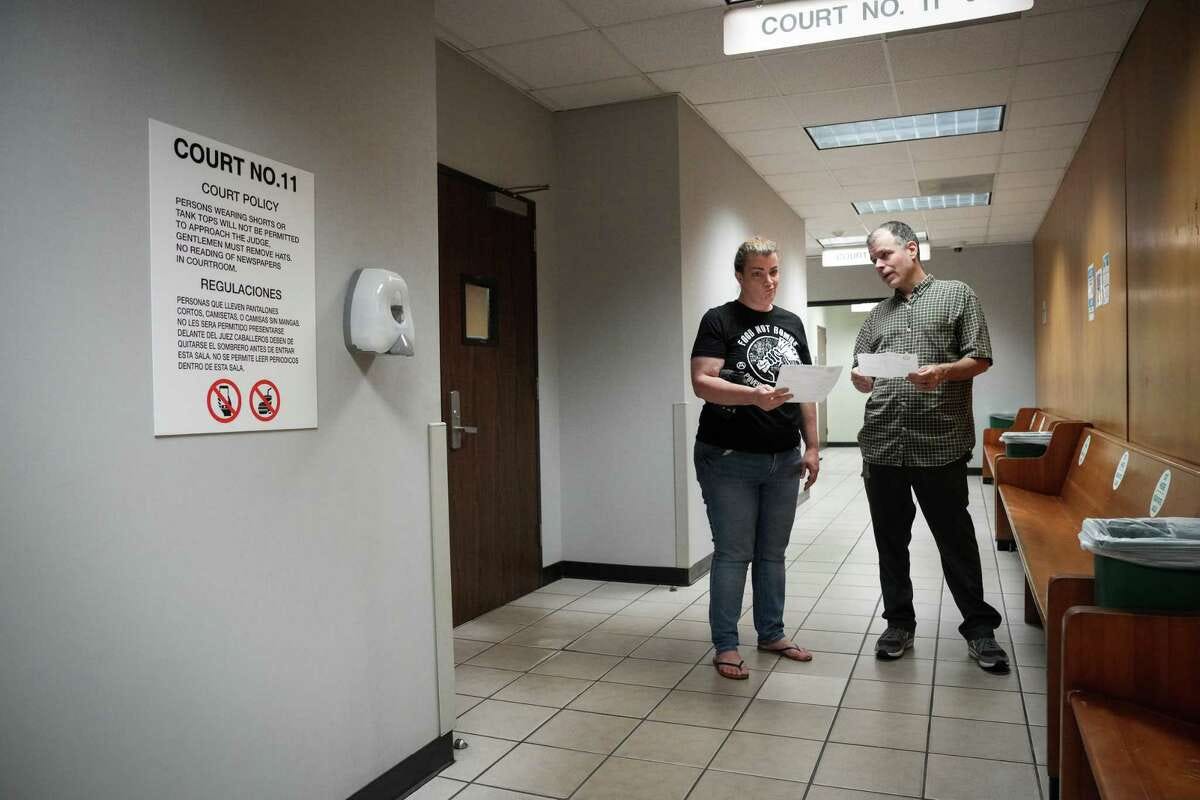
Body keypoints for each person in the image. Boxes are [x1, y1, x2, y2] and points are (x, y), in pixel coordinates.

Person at [850, 220, 1009, 673]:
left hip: (938, 443)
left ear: (912, 250)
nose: (879, 266)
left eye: (885, 255)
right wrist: (860, 379)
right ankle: (898, 623)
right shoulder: (876, 316)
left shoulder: (957, 294)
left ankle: (980, 630)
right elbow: (862, 374)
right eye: (874, 260)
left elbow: (980, 357)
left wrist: (942, 371)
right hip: (882, 446)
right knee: (890, 542)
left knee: (955, 541)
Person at [690, 236, 820, 680]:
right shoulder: (719, 320)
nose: (769, 281)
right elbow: (702, 381)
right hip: (728, 457)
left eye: (775, 272)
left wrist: (814, 445)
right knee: (733, 553)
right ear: (741, 276)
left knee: (772, 553)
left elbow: (805, 389)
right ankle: (726, 645)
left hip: (782, 457)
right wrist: (753, 396)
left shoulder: (792, 323)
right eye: (759, 273)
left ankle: (771, 632)